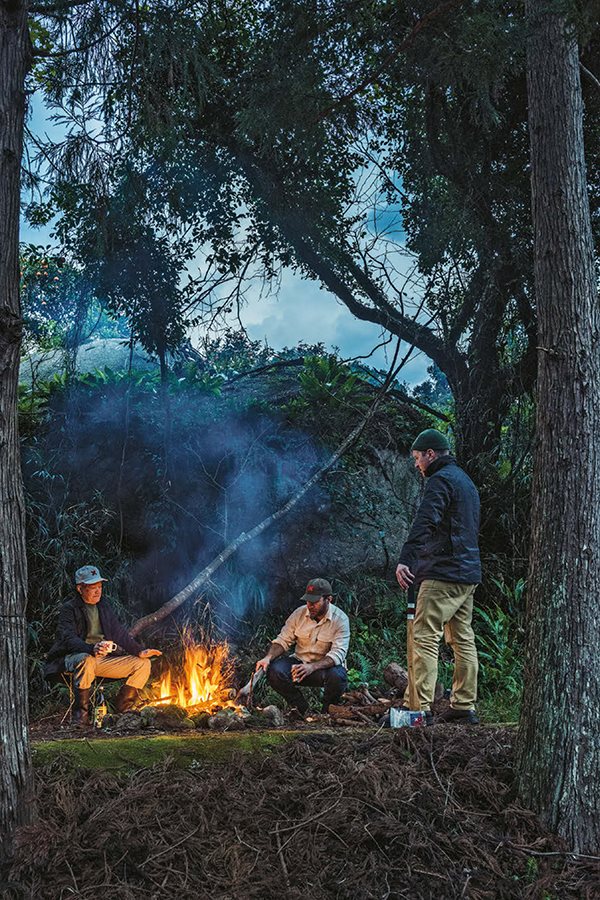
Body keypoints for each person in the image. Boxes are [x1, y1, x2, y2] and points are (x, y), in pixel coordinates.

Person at [395, 429, 481, 725]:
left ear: (431, 453)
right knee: (462, 638)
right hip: (467, 574)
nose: (417, 464)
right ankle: (464, 705)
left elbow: (426, 521)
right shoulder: (466, 482)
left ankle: (417, 710)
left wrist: (407, 558)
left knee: (424, 636)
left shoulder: (440, 480)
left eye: (418, 457)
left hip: (443, 573)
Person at [44, 565, 162, 725]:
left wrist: (140, 651)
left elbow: (118, 632)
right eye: (93, 588)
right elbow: (68, 638)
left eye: (99, 587)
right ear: (80, 588)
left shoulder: (103, 606)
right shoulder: (69, 608)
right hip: (74, 658)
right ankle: (80, 718)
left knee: (143, 664)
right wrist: (90, 649)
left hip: (101, 660)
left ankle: (122, 710)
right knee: (87, 659)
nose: (98, 591)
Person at [255, 578, 350, 716]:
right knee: (275, 671)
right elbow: (283, 640)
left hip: (324, 670)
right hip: (299, 665)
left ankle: (327, 713)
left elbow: (338, 654)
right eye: (308, 601)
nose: (310, 605)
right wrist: (268, 658)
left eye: (315, 602)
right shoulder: (299, 613)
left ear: (329, 599)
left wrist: (312, 667)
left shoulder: (340, 619)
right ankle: (301, 709)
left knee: (338, 676)